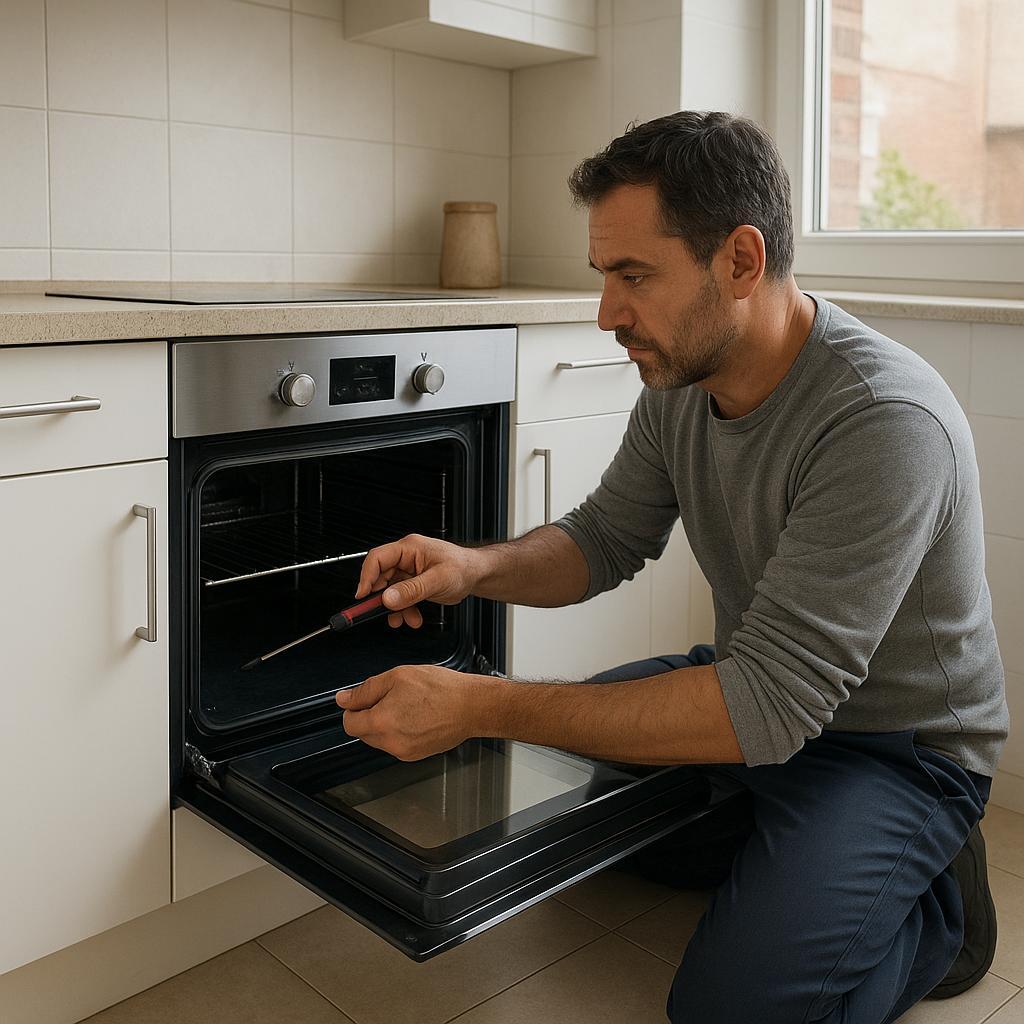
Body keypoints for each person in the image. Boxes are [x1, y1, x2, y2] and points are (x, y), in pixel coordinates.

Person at [334, 111, 1008, 1024]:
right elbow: (605, 537)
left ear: (740, 260)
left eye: (633, 276)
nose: (608, 313)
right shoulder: (685, 380)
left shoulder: (884, 420)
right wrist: (472, 567)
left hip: (895, 749)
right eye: (604, 276)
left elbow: (771, 702)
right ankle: (788, 845)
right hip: (755, 705)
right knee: (558, 794)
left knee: (728, 1009)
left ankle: (938, 910)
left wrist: (480, 703)